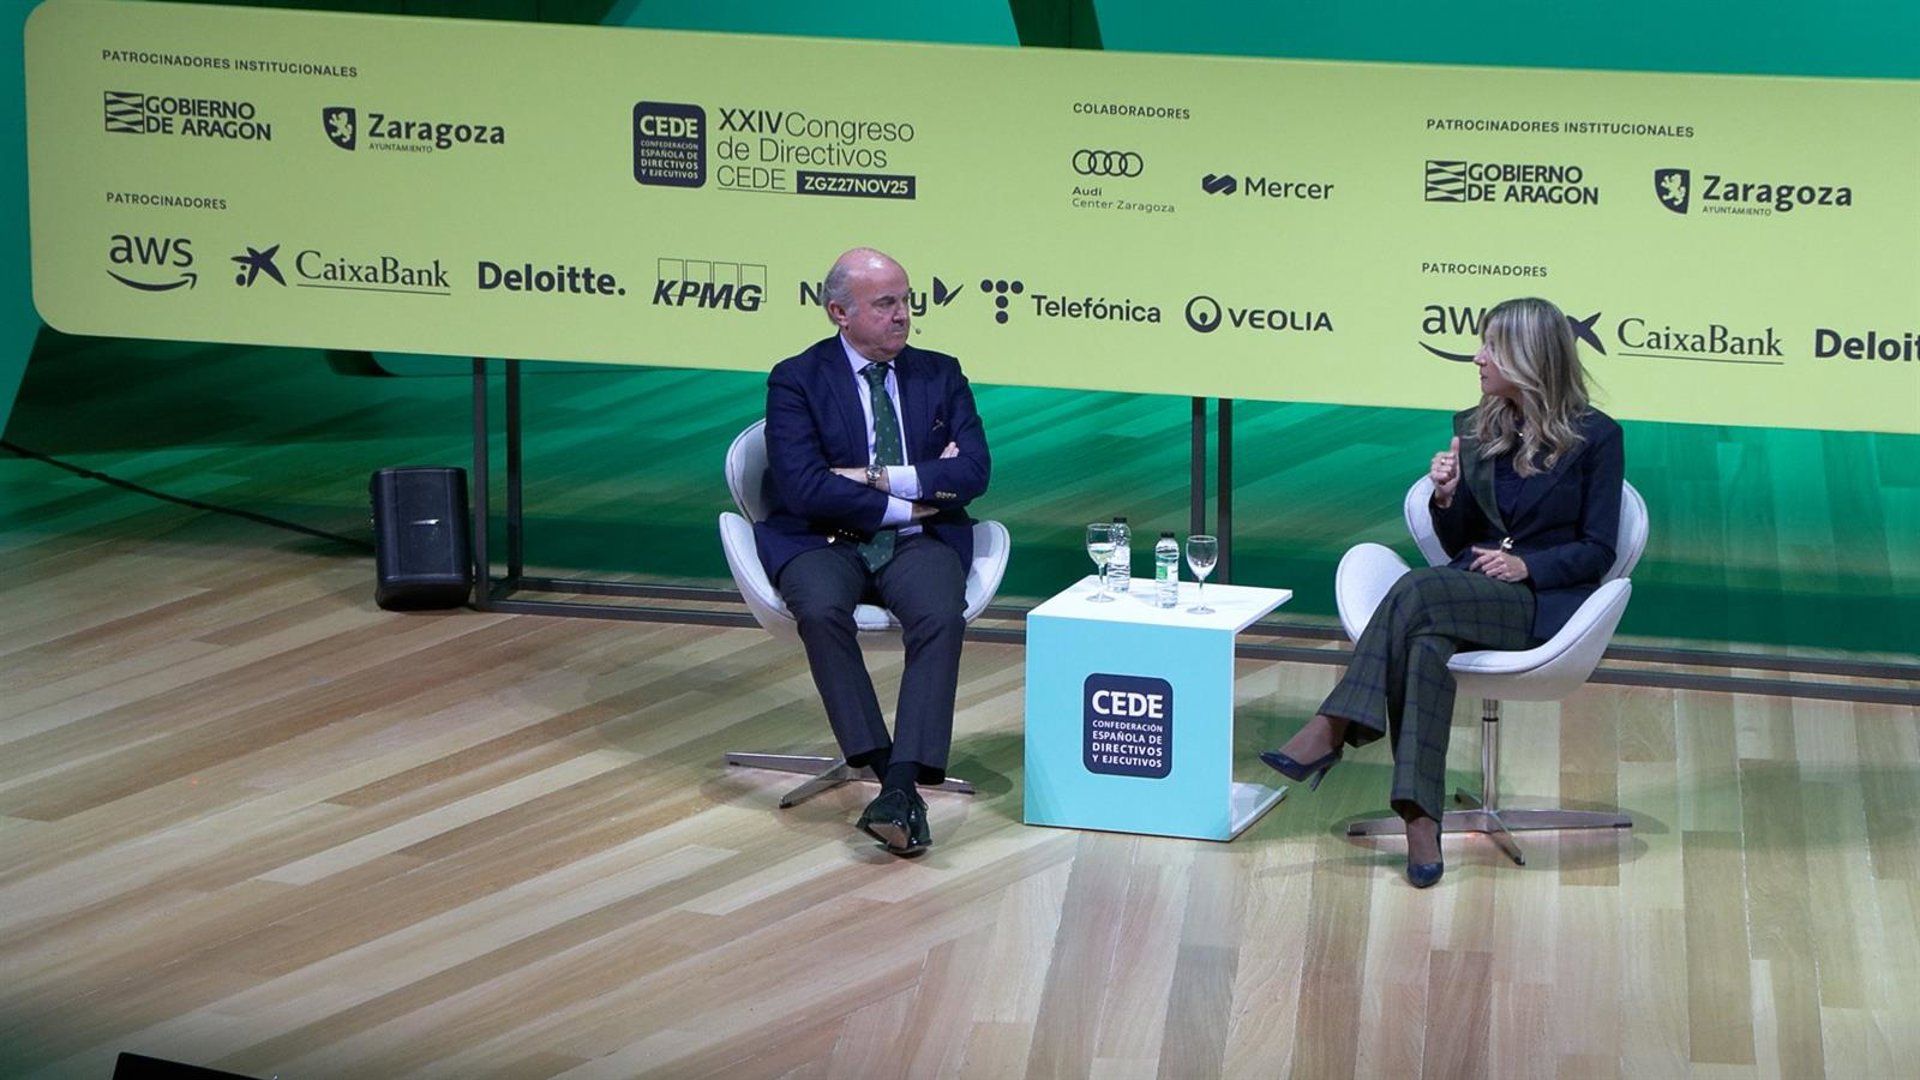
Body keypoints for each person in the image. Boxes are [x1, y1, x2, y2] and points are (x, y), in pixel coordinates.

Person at [1262, 297, 1624, 887]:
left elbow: (1599, 548)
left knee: (1417, 590)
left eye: (1492, 348)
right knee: (1423, 642)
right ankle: (1420, 818)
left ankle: (1336, 725)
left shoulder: (1597, 437)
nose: (1477, 358)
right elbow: (1461, 539)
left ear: (1528, 356)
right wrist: (1447, 497)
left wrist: (1527, 567)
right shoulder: (1478, 428)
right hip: (1466, 590)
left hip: (1538, 603)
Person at [754, 247, 991, 856]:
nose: (902, 315)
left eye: (905, 301)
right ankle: (892, 777)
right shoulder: (797, 379)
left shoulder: (940, 374)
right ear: (839, 312)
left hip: (918, 544)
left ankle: (899, 786)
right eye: (886, 303)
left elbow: (973, 473)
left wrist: (875, 478)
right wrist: (912, 497)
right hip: (822, 539)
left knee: (940, 616)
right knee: (819, 611)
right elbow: (805, 487)